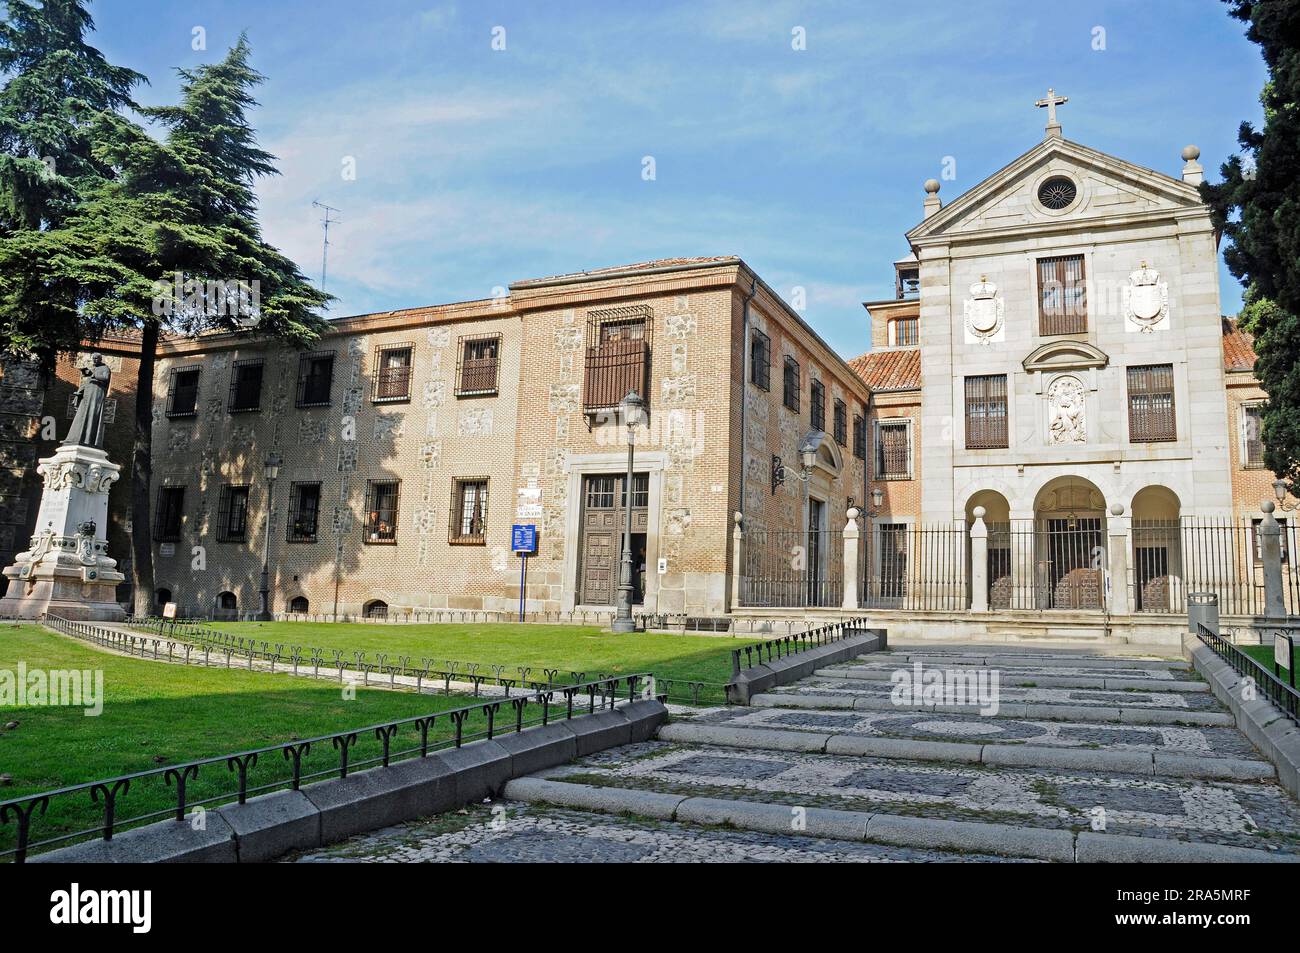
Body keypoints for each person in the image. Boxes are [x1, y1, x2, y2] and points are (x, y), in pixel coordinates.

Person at [66, 353, 111, 448]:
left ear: (100, 359)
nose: (94, 360)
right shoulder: (93, 369)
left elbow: (106, 378)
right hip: (87, 395)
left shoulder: (105, 368)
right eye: (93, 358)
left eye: (96, 358)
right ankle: (78, 437)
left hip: (96, 394)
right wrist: (79, 392)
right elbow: (87, 382)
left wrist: (93, 375)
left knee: (91, 414)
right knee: (82, 415)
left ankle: (88, 439)